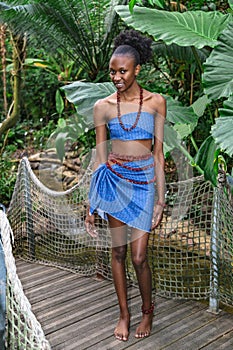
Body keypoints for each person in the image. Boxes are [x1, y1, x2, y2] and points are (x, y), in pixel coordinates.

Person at [85, 29, 166, 342]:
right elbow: (100, 157)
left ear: (137, 70)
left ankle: (147, 309)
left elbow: (158, 153)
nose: (116, 77)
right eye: (112, 71)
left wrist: (160, 201)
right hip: (115, 183)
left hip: (144, 184)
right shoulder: (102, 106)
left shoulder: (157, 102)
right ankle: (124, 314)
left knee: (138, 257)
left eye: (122, 71)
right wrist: (92, 204)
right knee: (117, 251)